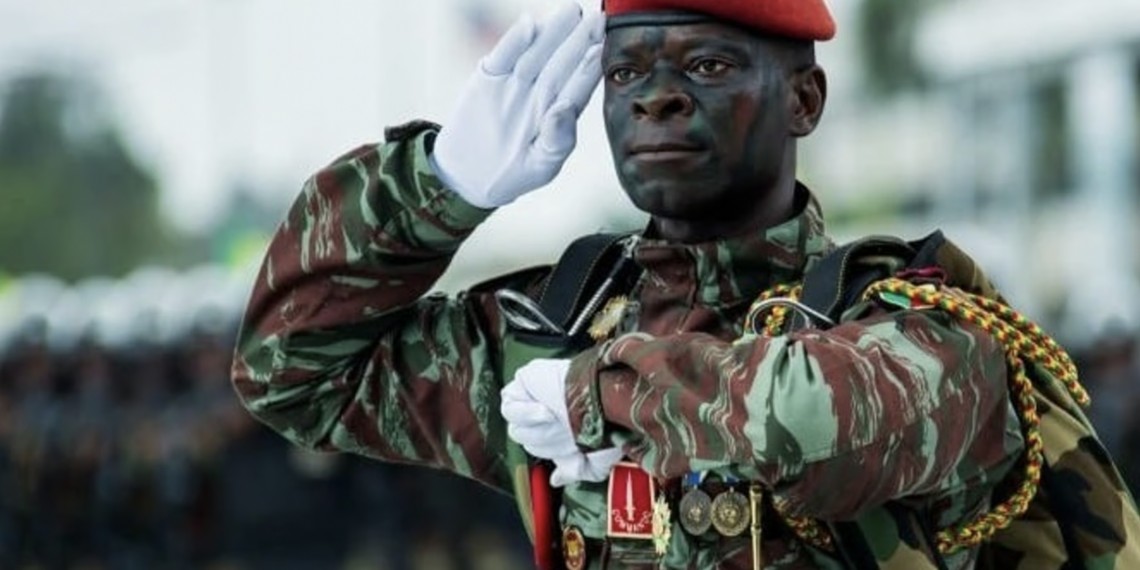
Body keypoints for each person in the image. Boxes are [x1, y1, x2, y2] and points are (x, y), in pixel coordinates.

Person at [230, 1, 1136, 568]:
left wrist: (602, 395)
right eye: (626, 73)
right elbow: (286, 369)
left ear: (804, 102)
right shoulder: (550, 329)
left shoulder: (922, 324)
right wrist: (439, 186)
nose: (655, 98)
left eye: (706, 67)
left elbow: (818, 421)